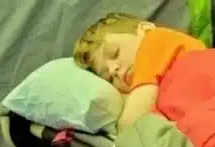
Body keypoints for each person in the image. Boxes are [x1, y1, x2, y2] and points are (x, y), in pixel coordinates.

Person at [73, 13, 206, 129]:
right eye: (109, 78)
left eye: (114, 53)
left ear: (145, 30)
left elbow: (130, 127)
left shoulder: (155, 40)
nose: (113, 70)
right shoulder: (160, 88)